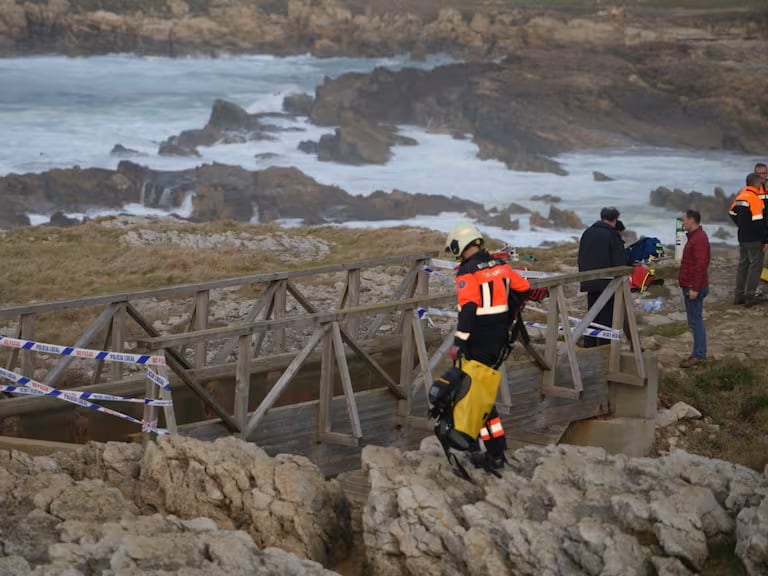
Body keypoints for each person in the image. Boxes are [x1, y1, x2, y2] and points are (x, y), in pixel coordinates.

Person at [444, 222, 530, 469]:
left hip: (478, 341)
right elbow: (523, 288)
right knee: (484, 395)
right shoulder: (501, 265)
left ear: (458, 246)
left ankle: (485, 451)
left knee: (473, 394)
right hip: (500, 340)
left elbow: (468, 308)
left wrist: (459, 341)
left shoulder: (467, 273)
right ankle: (494, 449)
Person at [577, 207, 627, 347]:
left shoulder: (588, 232)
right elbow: (619, 261)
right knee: (606, 318)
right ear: (615, 220)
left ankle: (589, 344)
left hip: (589, 280)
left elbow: (581, 255)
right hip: (608, 283)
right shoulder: (612, 235)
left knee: (592, 315)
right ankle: (605, 348)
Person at [678, 209, 710, 368]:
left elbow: (701, 264)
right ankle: (699, 352)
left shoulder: (699, 239)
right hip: (691, 285)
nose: (683, 222)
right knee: (694, 321)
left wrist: (694, 288)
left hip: (694, 286)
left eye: (684, 220)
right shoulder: (695, 238)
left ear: (691, 220)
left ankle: (699, 354)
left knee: (696, 322)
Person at [729, 173, 767, 306]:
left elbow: (732, 213)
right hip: (754, 238)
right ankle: (749, 296)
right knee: (755, 266)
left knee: (743, 264)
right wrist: (765, 239)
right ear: (756, 184)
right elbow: (759, 222)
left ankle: (738, 295)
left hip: (742, 237)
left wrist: (741, 225)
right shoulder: (755, 199)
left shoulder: (741, 196)